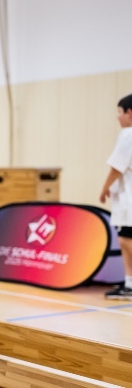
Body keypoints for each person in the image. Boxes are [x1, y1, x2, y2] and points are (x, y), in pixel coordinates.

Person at [99, 93, 132, 301]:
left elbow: (117, 167)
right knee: (124, 239)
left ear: (130, 113)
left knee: (126, 240)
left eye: (120, 112)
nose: (118, 117)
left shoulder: (128, 134)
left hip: (129, 200)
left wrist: (104, 188)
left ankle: (130, 285)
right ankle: (129, 283)